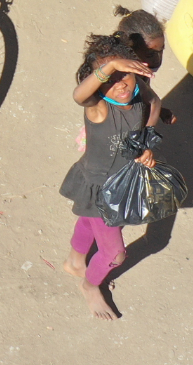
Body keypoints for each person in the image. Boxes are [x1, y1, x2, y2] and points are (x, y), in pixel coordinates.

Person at [60, 32, 162, 321]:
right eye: (111, 79)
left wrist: (145, 140)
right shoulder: (98, 107)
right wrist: (112, 66)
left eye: (126, 77)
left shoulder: (138, 90)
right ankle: (90, 285)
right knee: (115, 254)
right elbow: (78, 95)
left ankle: (75, 261)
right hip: (99, 188)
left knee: (89, 222)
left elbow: (155, 104)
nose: (121, 86)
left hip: (121, 185)